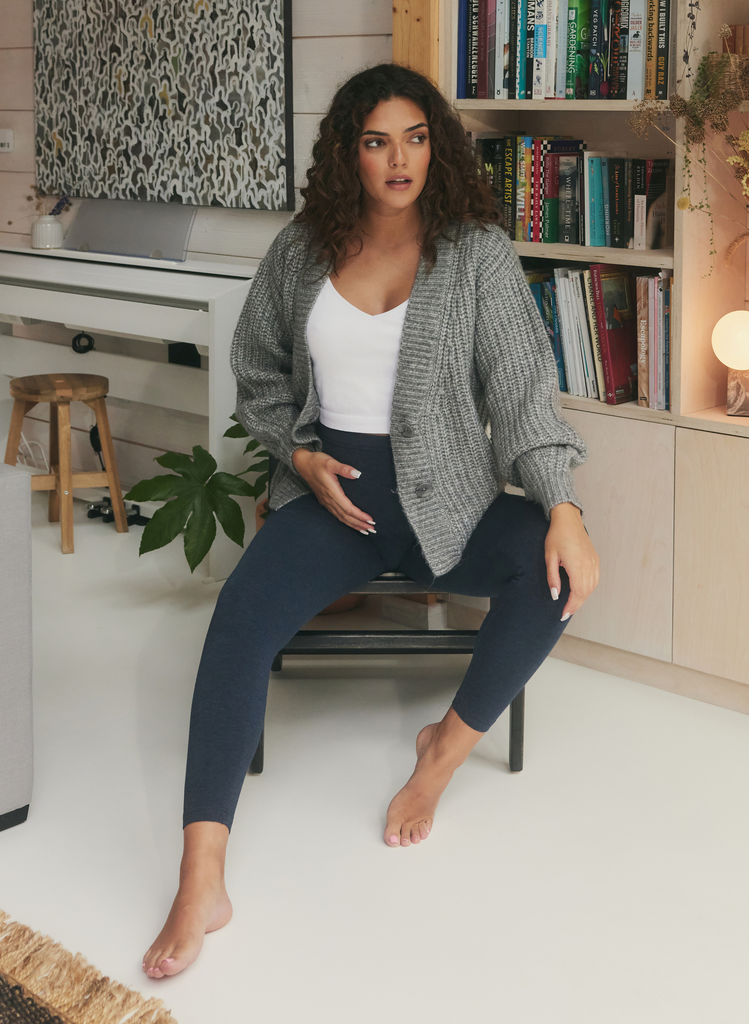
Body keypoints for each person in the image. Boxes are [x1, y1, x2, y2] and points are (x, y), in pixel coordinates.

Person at [143, 62, 600, 979]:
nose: (399, 159)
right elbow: (258, 369)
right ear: (348, 152)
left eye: (416, 137)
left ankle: (439, 757)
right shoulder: (303, 248)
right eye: (377, 140)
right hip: (335, 502)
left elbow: (518, 393)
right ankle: (202, 878)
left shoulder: (475, 253)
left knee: (553, 576)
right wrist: (298, 453)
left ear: (438, 145)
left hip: (455, 505)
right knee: (235, 623)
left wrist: (563, 507)